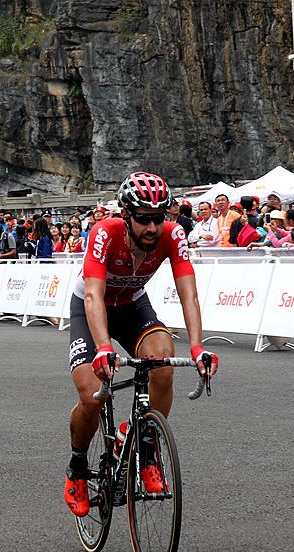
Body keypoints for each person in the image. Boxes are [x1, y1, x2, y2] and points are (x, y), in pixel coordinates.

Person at [63, 172, 219, 517]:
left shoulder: (173, 234)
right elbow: (92, 295)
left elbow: (189, 294)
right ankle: (77, 467)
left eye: (159, 218)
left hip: (133, 306)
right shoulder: (105, 232)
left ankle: (146, 449)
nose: (152, 228)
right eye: (144, 219)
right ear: (125, 214)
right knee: (91, 396)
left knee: (162, 361)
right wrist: (104, 347)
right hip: (93, 308)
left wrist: (197, 347)